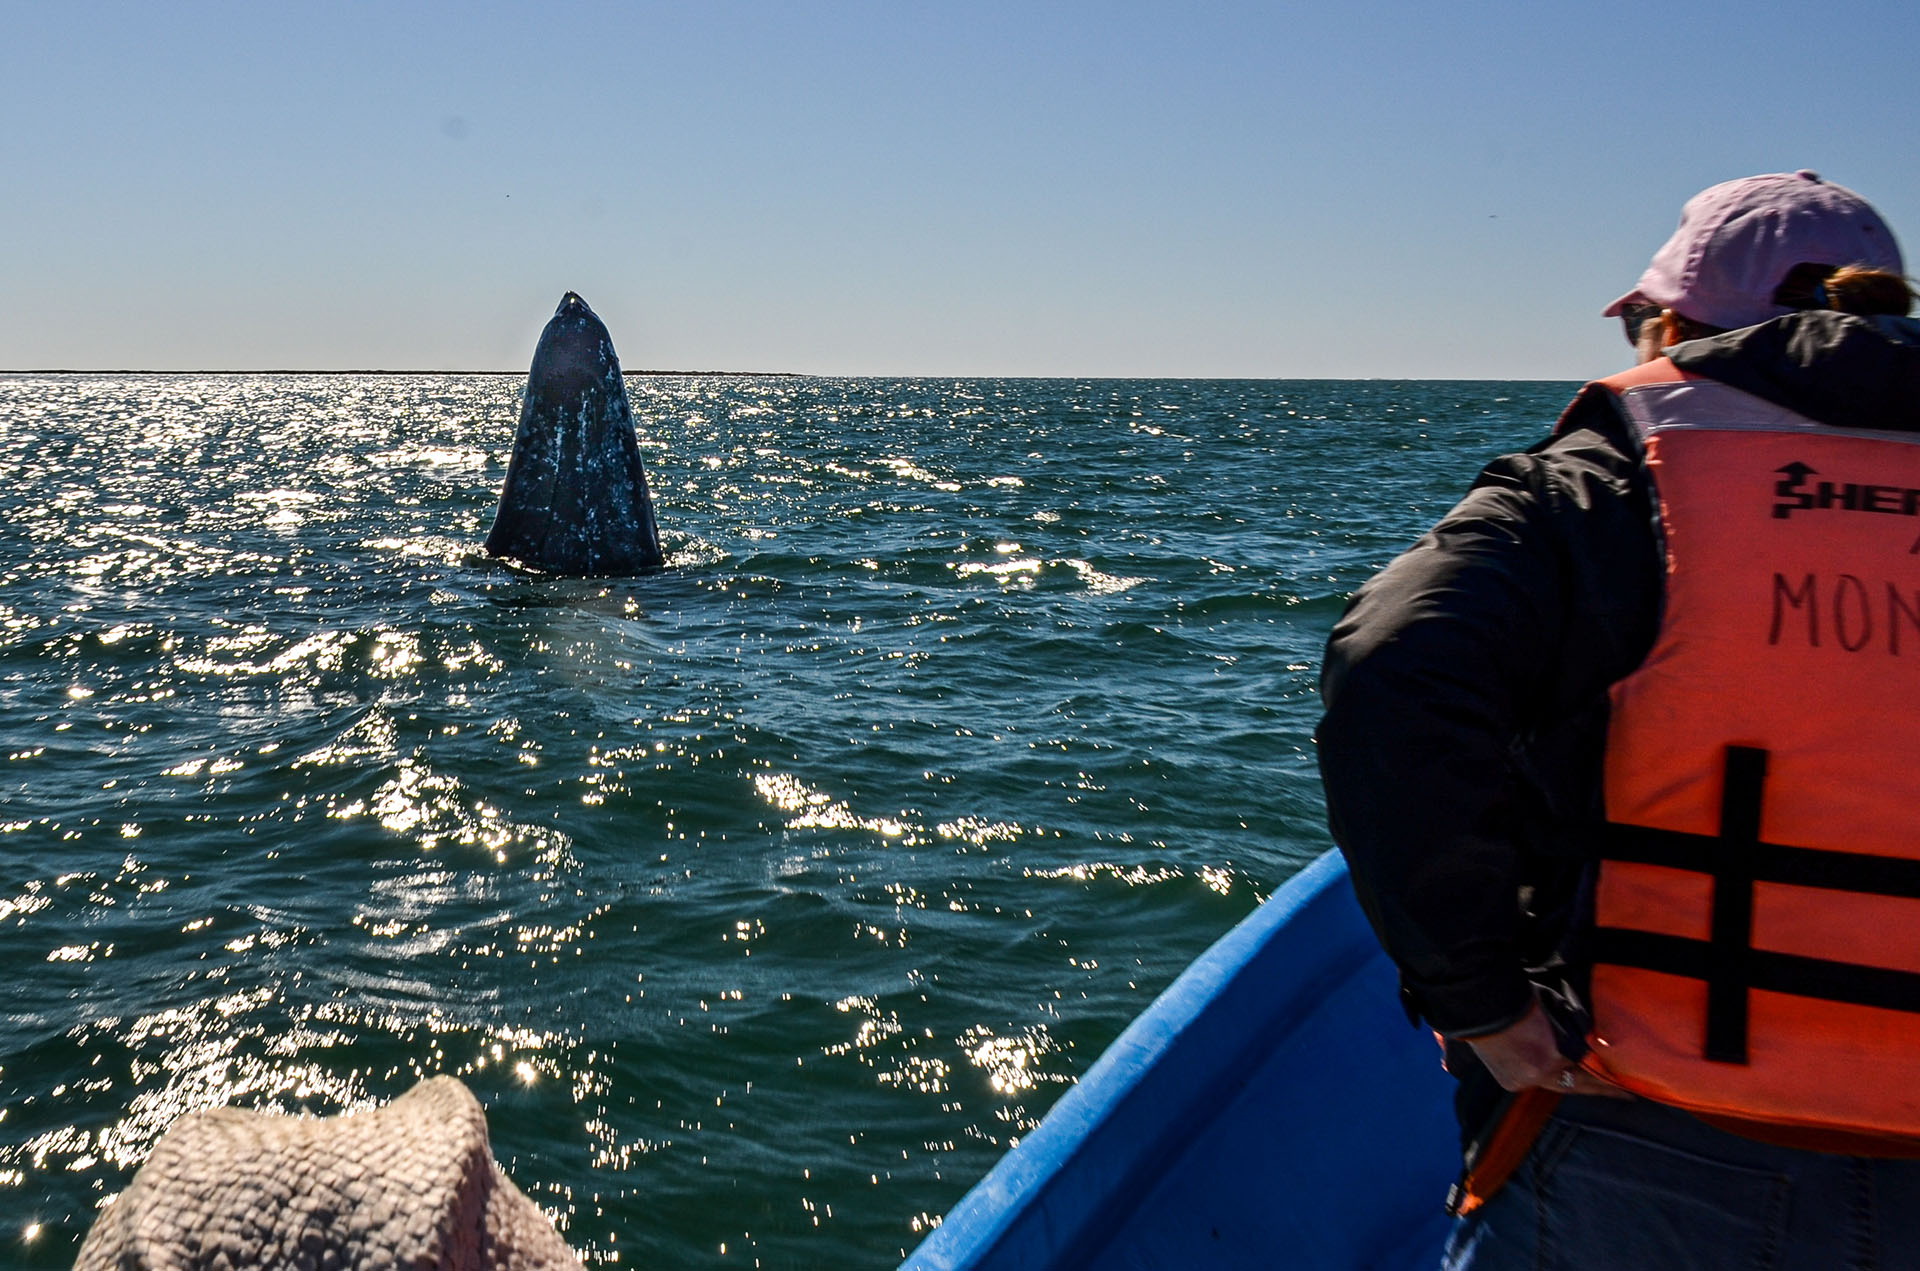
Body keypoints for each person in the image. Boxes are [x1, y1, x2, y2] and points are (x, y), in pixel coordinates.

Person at [1317, 170, 1920, 1269]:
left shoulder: (1611, 477)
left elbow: (1388, 664)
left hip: (1651, 1133)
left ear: (1677, 324)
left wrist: (1482, 1002)